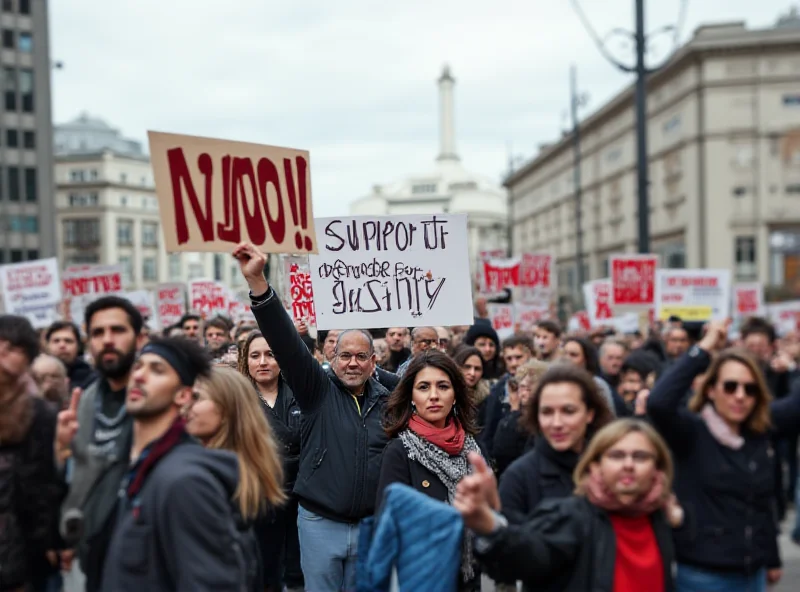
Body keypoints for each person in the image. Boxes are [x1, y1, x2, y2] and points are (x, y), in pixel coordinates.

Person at [233, 242, 391, 592]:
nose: (352, 362)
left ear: (373, 363)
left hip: (371, 527)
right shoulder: (316, 390)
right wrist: (259, 284)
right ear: (330, 359)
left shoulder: (390, 401)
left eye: (361, 356)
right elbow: (286, 342)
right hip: (321, 524)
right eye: (344, 355)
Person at [647, 320, 800, 590]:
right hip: (702, 576)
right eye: (730, 386)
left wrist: (772, 558)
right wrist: (704, 347)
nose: (740, 396)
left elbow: (762, 505)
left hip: (752, 574)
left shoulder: (759, 432)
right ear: (710, 389)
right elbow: (659, 402)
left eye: (750, 389)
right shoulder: (692, 431)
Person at [100, 336, 259, 590]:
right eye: (138, 366)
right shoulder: (141, 466)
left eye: (157, 370)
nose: (139, 376)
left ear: (184, 395)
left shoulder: (186, 482)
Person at [455, 419, 679, 591]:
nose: (628, 465)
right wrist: (489, 525)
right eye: (617, 455)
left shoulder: (663, 518)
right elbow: (528, 554)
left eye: (640, 457)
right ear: (595, 465)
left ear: (657, 468)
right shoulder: (572, 516)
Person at [56, 296, 146, 591]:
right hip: (95, 554)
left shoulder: (166, 396)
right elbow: (80, 477)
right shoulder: (84, 402)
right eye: (97, 333)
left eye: (117, 330)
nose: (107, 340)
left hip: (150, 556)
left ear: (139, 337)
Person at [376, 350, 483, 590]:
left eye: (443, 386)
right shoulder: (400, 451)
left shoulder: (472, 447)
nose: (434, 396)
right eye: (424, 387)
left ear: (455, 395)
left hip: (467, 573)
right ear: (411, 396)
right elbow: (388, 525)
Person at [185, 366, 289, 592]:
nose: (186, 406)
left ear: (228, 408)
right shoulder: (182, 463)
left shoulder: (257, 472)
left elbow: (266, 561)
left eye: (197, 397)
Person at [499, 363, 615, 525]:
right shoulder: (518, 477)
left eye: (568, 411)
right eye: (547, 412)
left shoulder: (611, 467)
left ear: (589, 413)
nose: (557, 423)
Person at [0, 315, 62, 592]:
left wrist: (50, 542)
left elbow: (44, 486)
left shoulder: (40, 414)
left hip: (22, 555)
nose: (1, 353)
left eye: (12, 348)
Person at [238, 331, 304, 592]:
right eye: (255, 355)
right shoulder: (239, 400)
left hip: (301, 497)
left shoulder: (302, 392)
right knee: (266, 572)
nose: (263, 362)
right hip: (260, 498)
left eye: (270, 354)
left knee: (298, 571)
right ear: (246, 361)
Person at [491, 360, 549, 478]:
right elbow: (499, 449)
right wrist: (515, 410)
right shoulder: (513, 411)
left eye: (530, 389)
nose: (525, 393)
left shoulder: (545, 418)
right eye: (522, 387)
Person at [480, 335, 534, 459]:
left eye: (518, 357)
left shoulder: (542, 383)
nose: (514, 363)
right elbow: (489, 428)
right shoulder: (498, 389)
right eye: (509, 358)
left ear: (530, 355)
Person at [560, 336, 618, 416]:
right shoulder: (550, 382)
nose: (566, 358)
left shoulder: (597, 385)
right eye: (564, 354)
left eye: (573, 355)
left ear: (585, 360)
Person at [46, 320, 96, 390]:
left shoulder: (92, 380)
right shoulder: (36, 379)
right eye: (56, 341)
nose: (62, 345)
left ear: (78, 346)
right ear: (47, 346)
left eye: (68, 341)